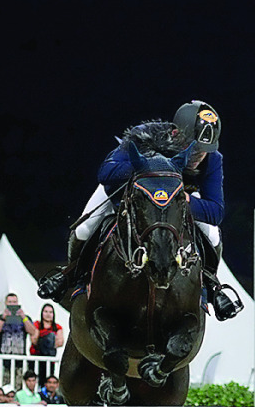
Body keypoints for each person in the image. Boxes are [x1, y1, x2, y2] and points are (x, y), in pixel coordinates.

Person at [37, 101, 242, 320]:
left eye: (204, 149)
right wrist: (146, 169)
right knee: (84, 229)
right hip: (129, 193)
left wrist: (182, 200)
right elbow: (106, 173)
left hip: (179, 203)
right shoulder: (143, 136)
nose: (198, 155)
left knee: (212, 236)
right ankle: (71, 277)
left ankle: (211, 288)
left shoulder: (213, 159)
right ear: (175, 133)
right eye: (193, 146)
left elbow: (216, 211)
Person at [0, 293, 37, 387]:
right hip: (3, 361)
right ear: (6, 303)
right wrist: (3, 318)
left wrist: (23, 317)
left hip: (19, 361)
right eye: (10, 302)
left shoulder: (25, 318)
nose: (12, 304)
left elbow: (32, 331)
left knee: (19, 386)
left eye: (14, 302)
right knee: (3, 386)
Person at [29, 304, 64, 383]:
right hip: (36, 357)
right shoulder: (37, 324)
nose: (48, 314)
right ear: (42, 313)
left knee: (47, 380)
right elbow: (34, 340)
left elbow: (60, 342)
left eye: (50, 312)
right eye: (46, 311)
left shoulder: (57, 327)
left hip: (49, 359)